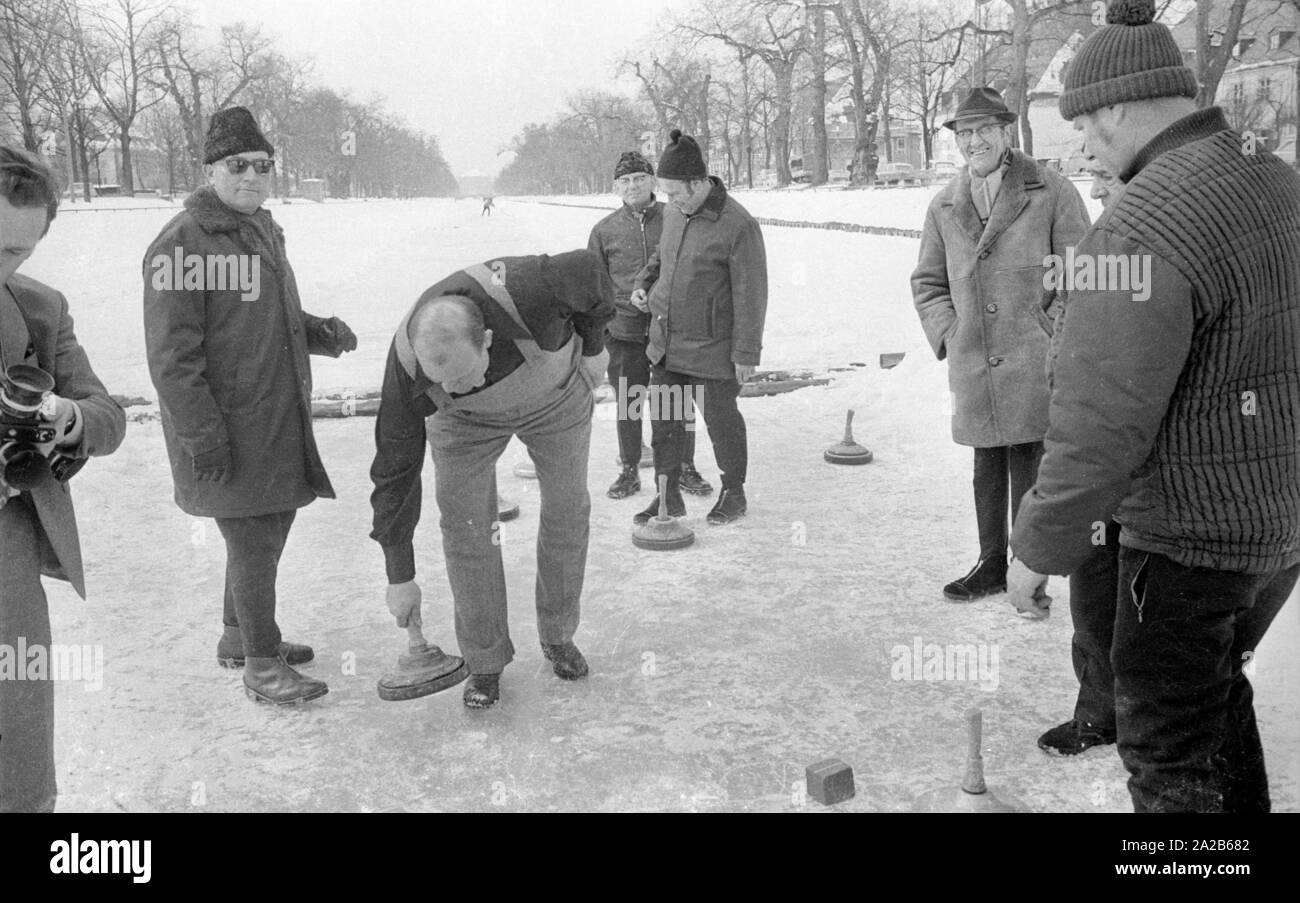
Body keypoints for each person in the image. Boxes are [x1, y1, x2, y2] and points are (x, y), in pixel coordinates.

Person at [1008, 0, 1300, 812]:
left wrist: (1039, 544)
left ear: (1118, 106)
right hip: (1277, 532)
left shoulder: (1142, 225)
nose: (1087, 148)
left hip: (1188, 546)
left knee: (1170, 757)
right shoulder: (1276, 179)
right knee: (1213, 709)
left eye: (1088, 128)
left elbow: (1102, 419)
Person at [143, 107, 357, 706]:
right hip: (226, 431)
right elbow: (172, 360)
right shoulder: (181, 243)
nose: (253, 177)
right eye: (239, 166)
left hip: (271, 419)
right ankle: (261, 666)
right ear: (210, 169)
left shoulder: (259, 227)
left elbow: (263, 317)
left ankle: (239, 636)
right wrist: (203, 437)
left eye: (264, 166)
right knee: (255, 540)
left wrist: (318, 331)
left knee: (265, 531)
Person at [370, 251, 614, 709]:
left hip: (555, 399)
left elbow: (592, 274)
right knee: (466, 530)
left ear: (486, 340)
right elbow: (393, 470)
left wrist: (597, 348)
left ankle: (559, 635)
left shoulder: (532, 289)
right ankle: (484, 661)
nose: (458, 387)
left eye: (464, 375)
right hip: (465, 426)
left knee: (566, 509)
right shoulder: (406, 368)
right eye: (443, 382)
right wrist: (398, 573)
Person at [911, 87, 1090, 602]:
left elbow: (1080, 272)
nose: (973, 142)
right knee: (986, 460)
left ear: (1006, 132)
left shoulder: (1051, 190)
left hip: (1034, 357)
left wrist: (1049, 328)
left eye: (983, 130)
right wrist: (950, 330)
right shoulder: (944, 204)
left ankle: (1027, 567)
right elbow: (927, 282)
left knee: (1030, 460)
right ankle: (991, 562)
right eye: (964, 133)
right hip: (973, 359)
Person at [0, 146, 126, 811]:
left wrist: (61, 421)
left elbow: (107, 416)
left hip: (6, 555)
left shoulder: (40, 308)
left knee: (18, 746)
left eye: (15, 252)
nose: (2, 266)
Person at [629, 129, 767, 527]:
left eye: (675, 192)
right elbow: (662, 257)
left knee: (720, 421)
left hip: (713, 346)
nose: (669, 201)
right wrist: (643, 283)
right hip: (666, 340)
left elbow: (752, 293)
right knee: (666, 422)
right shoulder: (676, 212)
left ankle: (733, 492)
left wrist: (746, 353)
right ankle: (667, 494)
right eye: (666, 193)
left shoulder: (738, 225)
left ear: (698, 182)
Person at [1036, 153, 1124, 757]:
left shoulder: (1148, 257)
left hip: (1131, 469)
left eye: (1108, 180)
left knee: (1133, 609)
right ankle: (1098, 713)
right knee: (1092, 596)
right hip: (1101, 464)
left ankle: (1129, 719)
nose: (1095, 188)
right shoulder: (1099, 250)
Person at [588, 150, 710, 500]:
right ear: (615, 187)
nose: (633, 186)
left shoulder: (675, 216)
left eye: (640, 178)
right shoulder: (604, 230)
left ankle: (685, 466)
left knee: (676, 401)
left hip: (670, 331)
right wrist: (608, 322)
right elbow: (596, 286)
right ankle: (629, 469)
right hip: (624, 333)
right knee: (629, 403)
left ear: (653, 181)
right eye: (625, 180)